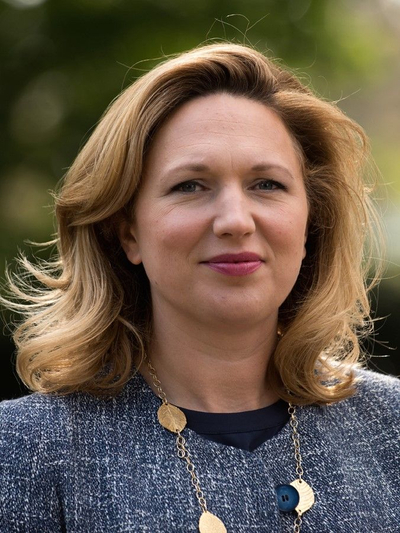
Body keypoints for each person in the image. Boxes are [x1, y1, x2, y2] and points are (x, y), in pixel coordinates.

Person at [0, 43, 399, 533]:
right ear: (128, 232)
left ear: (309, 221)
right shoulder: (27, 449)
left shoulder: (391, 425)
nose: (235, 220)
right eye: (190, 185)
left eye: (267, 184)